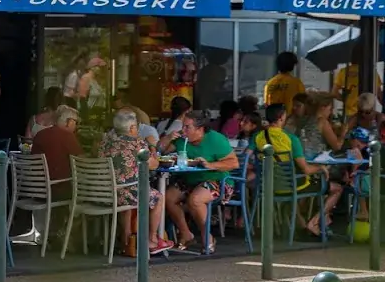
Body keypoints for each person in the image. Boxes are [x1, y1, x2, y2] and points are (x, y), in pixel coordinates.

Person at [253, 104, 343, 236]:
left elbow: (248, 154)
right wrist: (320, 167)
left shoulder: (257, 137)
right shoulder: (291, 139)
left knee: (294, 194)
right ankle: (314, 222)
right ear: (281, 118)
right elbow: (306, 169)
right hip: (291, 187)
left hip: (268, 186)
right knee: (337, 189)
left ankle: (301, 225)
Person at [97, 110, 173, 257]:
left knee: (128, 193)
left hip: (105, 194)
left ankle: (126, 241)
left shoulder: (105, 142)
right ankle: (151, 240)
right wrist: (153, 153)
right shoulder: (137, 144)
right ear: (132, 128)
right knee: (158, 197)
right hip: (125, 194)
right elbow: (153, 165)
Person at [164, 112, 239, 253]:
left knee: (195, 200)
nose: (183, 130)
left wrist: (211, 165)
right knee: (167, 197)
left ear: (200, 129)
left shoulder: (215, 139)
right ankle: (186, 234)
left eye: (187, 127)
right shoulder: (182, 138)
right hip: (190, 179)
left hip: (217, 180)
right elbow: (161, 150)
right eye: (183, 126)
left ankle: (208, 238)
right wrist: (168, 138)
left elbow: (234, 163)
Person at [29, 105, 82, 197]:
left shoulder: (40, 134)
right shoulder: (68, 136)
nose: (76, 126)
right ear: (69, 122)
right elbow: (81, 161)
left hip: (36, 189)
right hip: (57, 191)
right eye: (76, 122)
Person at [333, 47, 382, 118]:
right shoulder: (371, 72)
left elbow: (334, 93)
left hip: (349, 114)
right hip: (366, 113)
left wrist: (346, 101)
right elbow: (379, 95)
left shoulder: (343, 71)